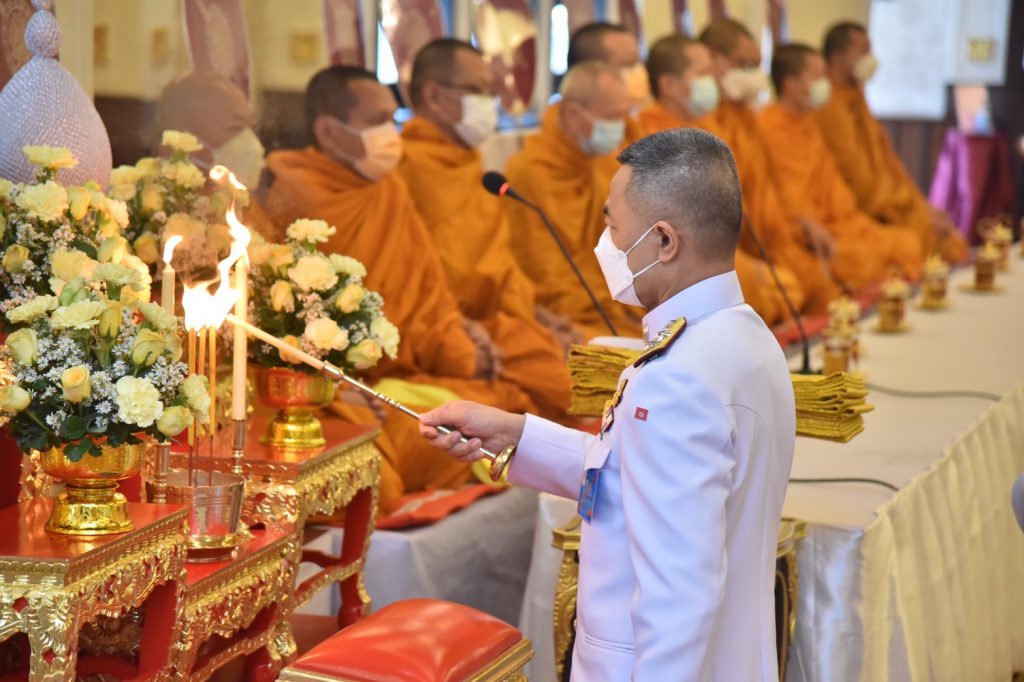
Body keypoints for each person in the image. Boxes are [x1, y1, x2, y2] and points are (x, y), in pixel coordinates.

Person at [420, 128, 795, 680]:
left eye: (614, 227)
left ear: (664, 242)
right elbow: (634, 477)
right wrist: (516, 435)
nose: (606, 245)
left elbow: (678, 596)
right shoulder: (745, 337)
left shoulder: (678, 376)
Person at [263, 66, 534, 513]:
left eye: (393, 118)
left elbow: (427, 288)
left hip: (410, 367)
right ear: (328, 131)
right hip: (338, 389)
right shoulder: (291, 194)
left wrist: (460, 333)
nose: (391, 134)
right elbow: (276, 323)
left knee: (519, 388)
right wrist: (338, 385)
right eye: (377, 121)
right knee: (382, 468)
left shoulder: (389, 188)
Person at [396, 38, 572, 420]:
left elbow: (497, 266)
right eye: (478, 91)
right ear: (433, 95)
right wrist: (459, 327)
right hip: (446, 333)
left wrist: (541, 317)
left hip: (499, 329)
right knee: (558, 387)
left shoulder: (471, 165)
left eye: (492, 93)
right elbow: (410, 278)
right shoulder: (405, 167)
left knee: (566, 377)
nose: (489, 104)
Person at [641, 33, 809, 326]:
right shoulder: (649, 132)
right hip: (691, 258)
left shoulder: (706, 124)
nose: (714, 82)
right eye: (704, 74)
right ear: (669, 85)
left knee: (789, 286)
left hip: (734, 245)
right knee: (770, 288)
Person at [700, 19, 839, 314]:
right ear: (714, 60)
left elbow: (772, 190)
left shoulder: (746, 119)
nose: (753, 76)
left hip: (773, 237)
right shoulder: (700, 123)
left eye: (756, 66)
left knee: (812, 282)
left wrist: (799, 223)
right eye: (744, 65)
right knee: (792, 286)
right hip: (727, 252)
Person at [760, 44, 923, 289]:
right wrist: (803, 223)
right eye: (817, 77)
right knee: (863, 262)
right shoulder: (767, 127)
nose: (825, 84)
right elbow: (774, 195)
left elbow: (830, 181)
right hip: (801, 232)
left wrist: (847, 219)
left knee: (907, 243)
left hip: (837, 223)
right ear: (791, 85)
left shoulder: (807, 123)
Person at [504, 61, 643, 339]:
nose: (621, 127)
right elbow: (545, 275)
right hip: (565, 315)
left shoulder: (602, 163)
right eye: (612, 117)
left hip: (615, 303)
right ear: (572, 113)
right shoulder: (529, 173)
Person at [816, 22, 967, 263]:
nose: (870, 57)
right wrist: (904, 207)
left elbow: (888, 162)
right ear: (838, 57)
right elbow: (855, 175)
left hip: (891, 202)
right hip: (870, 209)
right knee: (924, 243)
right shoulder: (827, 104)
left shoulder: (856, 96)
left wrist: (919, 204)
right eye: (863, 50)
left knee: (952, 241)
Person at [154, 71, 278, 239]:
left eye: (251, 127)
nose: (252, 143)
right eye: (234, 127)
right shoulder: (154, 209)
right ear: (185, 137)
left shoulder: (247, 206)